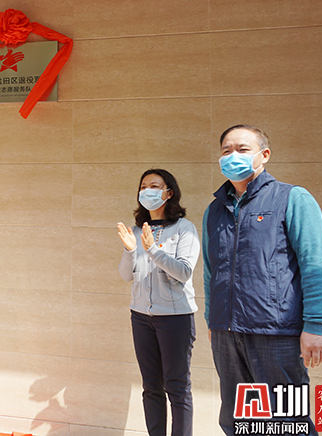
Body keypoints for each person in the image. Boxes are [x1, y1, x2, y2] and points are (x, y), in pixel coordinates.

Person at [203, 125, 322, 435]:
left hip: (276, 332)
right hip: (226, 334)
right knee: (238, 421)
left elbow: (316, 265)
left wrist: (316, 326)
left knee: (288, 422)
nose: (233, 155)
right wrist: (211, 319)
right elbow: (210, 271)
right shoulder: (214, 210)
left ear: (265, 155)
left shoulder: (293, 198)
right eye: (226, 150)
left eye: (242, 149)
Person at [117, 168, 199, 436]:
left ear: (169, 192)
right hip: (141, 317)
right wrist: (131, 250)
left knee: (177, 386)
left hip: (175, 319)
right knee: (151, 386)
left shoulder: (185, 228)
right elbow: (126, 275)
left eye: (154, 186)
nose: (147, 191)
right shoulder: (136, 230)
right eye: (143, 187)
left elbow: (184, 272)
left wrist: (152, 249)